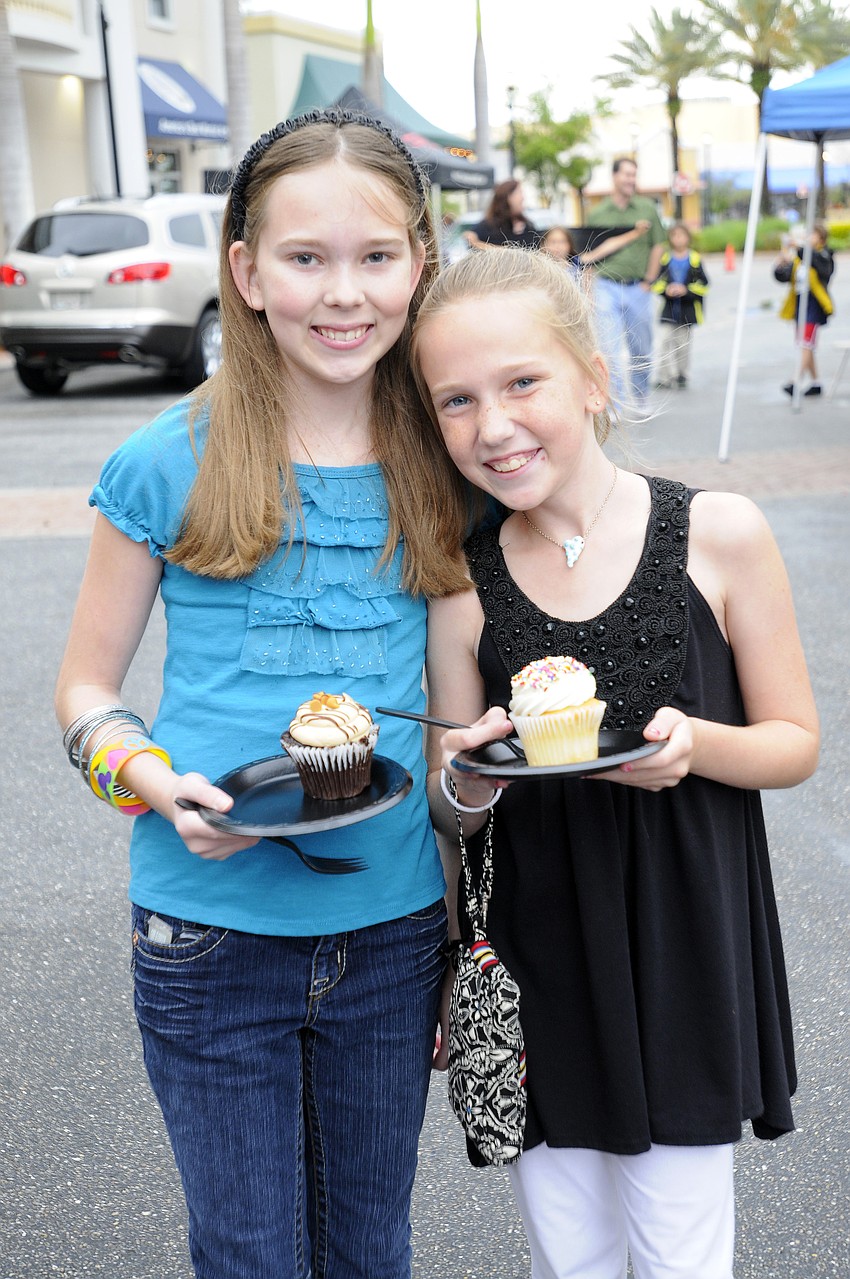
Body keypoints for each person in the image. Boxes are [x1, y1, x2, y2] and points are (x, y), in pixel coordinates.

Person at [54, 109, 476, 1279]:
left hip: (392, 939)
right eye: (305, 258)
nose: (344, 294)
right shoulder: (164, 459)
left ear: (418, 265)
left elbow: (448, 726)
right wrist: (145, 780)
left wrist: (460, 898)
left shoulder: (443, 462)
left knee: (368, 1249)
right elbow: (85, 689)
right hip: (205, 932)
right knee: (249, 1254)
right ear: (244, 271)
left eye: (376, 257)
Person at [410, 247, 819, 1279]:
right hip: (537, 960)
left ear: (594, 378)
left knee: (683, 1255)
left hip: (684, 948)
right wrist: (467, 781)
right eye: (455, 401)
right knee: (570, 1258)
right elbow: (449, 814)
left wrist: (697, 745)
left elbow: (793, 744)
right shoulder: (461, 589)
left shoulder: (716, 534)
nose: (491, 426)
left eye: (521, 383)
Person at [586, 156, 666, 406]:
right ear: (615, 177)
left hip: (637, 287)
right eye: (627, 174)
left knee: (641, 347)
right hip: (606, 286)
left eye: (634, 175)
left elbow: (658, 245)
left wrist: (649, 281)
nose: (631, 179)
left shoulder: (647, 209)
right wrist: (588, 291)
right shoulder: (597, 213)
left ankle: (641, 398)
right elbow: (588, 255)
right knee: (608, 348)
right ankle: (616, 405)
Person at [774, 222, 835, 398]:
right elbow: (784, 276)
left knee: (806, 343)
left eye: (812, 234)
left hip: (814, 306)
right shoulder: (800, 258)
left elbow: (819, 265)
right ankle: (816, 382)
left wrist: (799, 248)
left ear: (821, 237)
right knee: (805, 345)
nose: (809, 237)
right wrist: (781, 263)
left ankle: (795, 381)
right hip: (799, 305)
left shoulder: (824, 255)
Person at [650, 222, 710, 389]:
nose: (678, 239)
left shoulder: (695, 259)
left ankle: (682, 374)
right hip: (669, 310)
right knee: (664, 343)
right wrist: (666, 290)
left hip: (687, 310)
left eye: (681, 235)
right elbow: (656, 282)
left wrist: (686, 290)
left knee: (683, 346)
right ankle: (664, 377)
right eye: (674, 235)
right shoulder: (666, 258)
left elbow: (704, 285)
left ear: (688, 238)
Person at [539, 223, 654, 279]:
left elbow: (607, 247)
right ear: (544, 244)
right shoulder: (539, 268)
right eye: (553, 242)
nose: (557, 246)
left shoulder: (575, 263)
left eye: (562, 242)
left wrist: (635, 233)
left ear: (569, 244)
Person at [464, 179, 540, 249]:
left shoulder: (528, 226)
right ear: (507, 197)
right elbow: (471, 240)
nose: (523, 197)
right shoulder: (487, 227)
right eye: (519, 192)